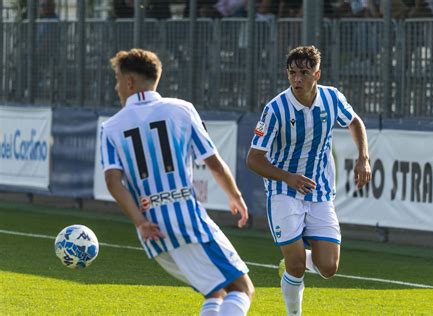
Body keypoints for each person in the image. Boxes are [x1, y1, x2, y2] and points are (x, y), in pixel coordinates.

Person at [101, 49, 254, 316]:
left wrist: (140, 222)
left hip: (152, 233)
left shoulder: (111, 126)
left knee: (215, 291)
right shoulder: (181, 109)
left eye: (117, 80)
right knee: (242, 289)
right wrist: (235, 196)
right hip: (187, 220)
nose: (117, 87)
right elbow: (213, 162)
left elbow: (113, 183)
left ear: (129, 82)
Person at [246, 46, 371, 316]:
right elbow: (253, 159)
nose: (297, 79)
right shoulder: (276, 108)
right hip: (283, 191)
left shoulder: (331, 98)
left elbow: (355, 122)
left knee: (328, 268)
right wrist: (287, 177)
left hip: (320, 191)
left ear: (317, 73)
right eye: (292, 73)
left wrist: (363, 157)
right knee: (295, 267)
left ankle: (297, 262)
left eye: (304, 73)